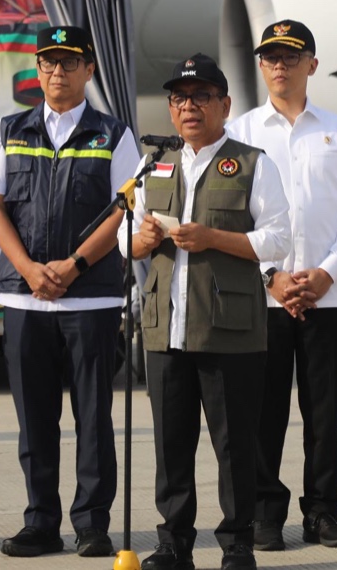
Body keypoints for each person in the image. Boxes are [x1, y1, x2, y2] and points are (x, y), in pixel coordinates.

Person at [0, 26, 140, 559]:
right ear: (38, 68)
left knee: (93, 419)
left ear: (89, 70)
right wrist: (27, 268)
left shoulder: (113, 135)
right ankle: (41, 522)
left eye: (69, 63)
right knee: (35, 420)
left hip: (89, 298)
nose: (57, 72)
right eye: (48, 62)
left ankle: (92, 524)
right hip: (26, 301)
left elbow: (123, 209)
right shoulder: (11, 129)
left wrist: (72, 266)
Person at [125, 54, 291, 570]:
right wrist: (143, 238)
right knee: (171, 444)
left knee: (234, 444)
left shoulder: (251, 162)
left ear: (225, 104)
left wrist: (212, 238)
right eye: (179, 98)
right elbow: (123, 240)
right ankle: (173, 543)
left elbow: (279, 238)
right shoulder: (153, 164)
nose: (189, 107)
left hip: (229, 328)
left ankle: (238, 543)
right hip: (165, 327)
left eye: (200, 96)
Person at [226, 20, 337, 552]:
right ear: (262, 66)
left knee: (324, 411)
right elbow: (234, 216)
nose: (280, 65)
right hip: (264, 296)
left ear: (312, 64)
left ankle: (322, 512)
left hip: (327, 294)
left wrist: (327, 271)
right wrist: (272, 277)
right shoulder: (241, 133)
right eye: (271, 57)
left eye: (291, 56)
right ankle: (266, 512)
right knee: (263, 411)